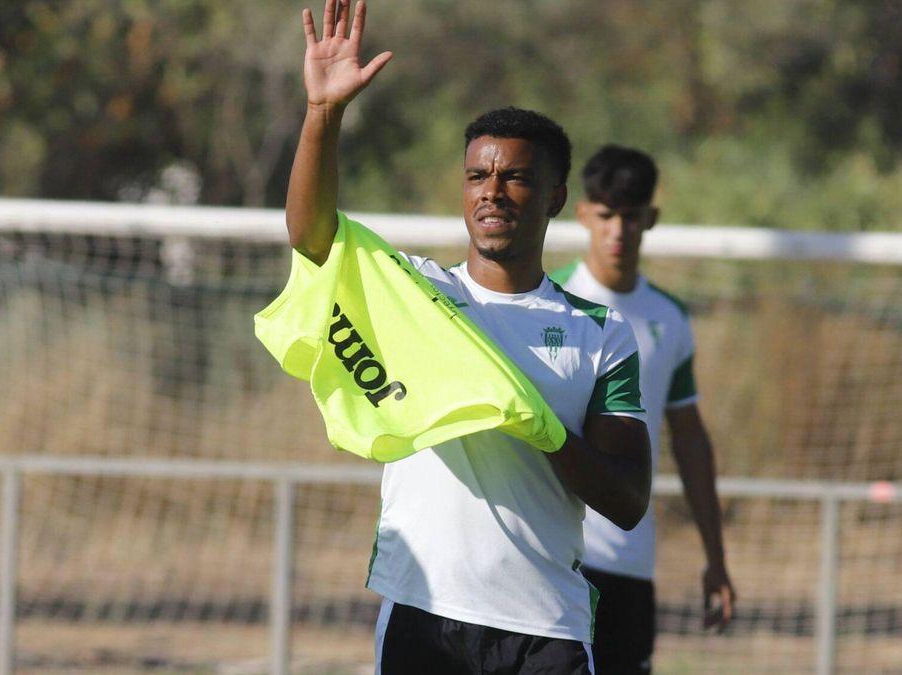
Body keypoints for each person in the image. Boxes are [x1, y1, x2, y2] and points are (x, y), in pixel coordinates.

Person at [287, 2, 651, 672]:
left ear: (554, 197)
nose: (494, 192)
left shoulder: (600, 332)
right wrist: (323, 114)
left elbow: (628, 501)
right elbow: (312, 235)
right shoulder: (418, 293)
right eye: (478, 176)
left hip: (547, 626)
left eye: (515, 176)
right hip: (423, 611)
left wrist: (546, 432)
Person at [552, 144, 736, 674]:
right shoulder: (550, 300)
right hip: (556, 556)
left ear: (650, 219)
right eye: (606, 215)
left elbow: (690, 439)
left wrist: (716, 558)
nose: (617, 230)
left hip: (631, 564)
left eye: (631, 216)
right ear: (584, 213)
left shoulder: (669, 319)